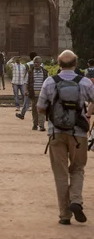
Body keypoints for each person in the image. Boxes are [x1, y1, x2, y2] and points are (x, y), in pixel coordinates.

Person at [38, 50, 94, 225]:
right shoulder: (84, 82)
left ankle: (64, 215)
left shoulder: (50, 82)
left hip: (56, 133)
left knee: (60, 174)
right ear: (75, 64)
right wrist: (87, 113)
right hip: (78, 134)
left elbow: (40, 107)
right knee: (77, 168)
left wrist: (53, 113)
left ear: (59, 64)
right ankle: (76, 200)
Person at [16, 56, 48, 130]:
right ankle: (35, 124)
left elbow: (47, 83)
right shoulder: (30, 72)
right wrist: (26, 90)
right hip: (33, 94)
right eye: (34, 62)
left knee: (41, 110)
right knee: (34, 110)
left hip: (42, 94)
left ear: (40, 63)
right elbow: (26, 82)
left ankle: (42, 125)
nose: (36, 64)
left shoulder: (45, 72)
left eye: (37, 62)